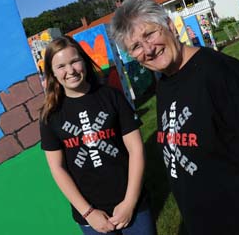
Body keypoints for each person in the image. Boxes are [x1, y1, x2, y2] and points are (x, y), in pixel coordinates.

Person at [110, 0, 239, 235]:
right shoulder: (166, 82)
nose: (148, 49)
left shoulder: (221, 74)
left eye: (150, 34)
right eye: (135, 46)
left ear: (169, 26)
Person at [39, 36, 155, 235]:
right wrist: (88, 212)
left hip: (133, 204)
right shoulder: (50, 115)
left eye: (75, 61)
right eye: (61, 66)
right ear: (52, 73)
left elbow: (136, 150)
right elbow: (57, 168)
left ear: (84, 60)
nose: (71, 71)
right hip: (90, 214)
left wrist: (129, 202)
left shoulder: (112, 96)